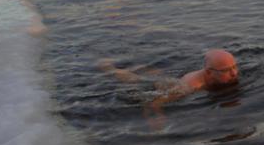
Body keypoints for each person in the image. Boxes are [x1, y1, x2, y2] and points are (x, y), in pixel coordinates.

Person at [99, 49, 239, 124]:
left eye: (234, 67)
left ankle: (141, 68)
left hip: (174, 78)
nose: (234, 73)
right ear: (209, 72)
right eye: (226, 70)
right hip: (171, 85)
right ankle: (107, 67)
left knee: (155, 75)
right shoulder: (192, 86)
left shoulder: (219, 72)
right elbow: (154, 103)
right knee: (134, 80)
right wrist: (156, 119)